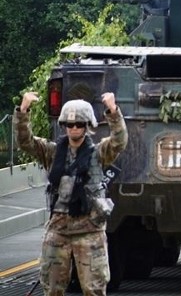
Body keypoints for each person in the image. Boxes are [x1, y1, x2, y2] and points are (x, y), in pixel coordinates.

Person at [14, 91, 127, 296]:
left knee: (93, 289)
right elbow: (26, 142)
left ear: (87, 126)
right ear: (64, 126)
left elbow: (119, 142)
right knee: (52, 288)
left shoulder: (99, 152)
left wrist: (112, 111)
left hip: (89, 230)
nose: (74, 128)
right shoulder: (52, 152)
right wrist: (23, 111)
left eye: (79, 125)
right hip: (59, 228)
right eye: (69, 124)